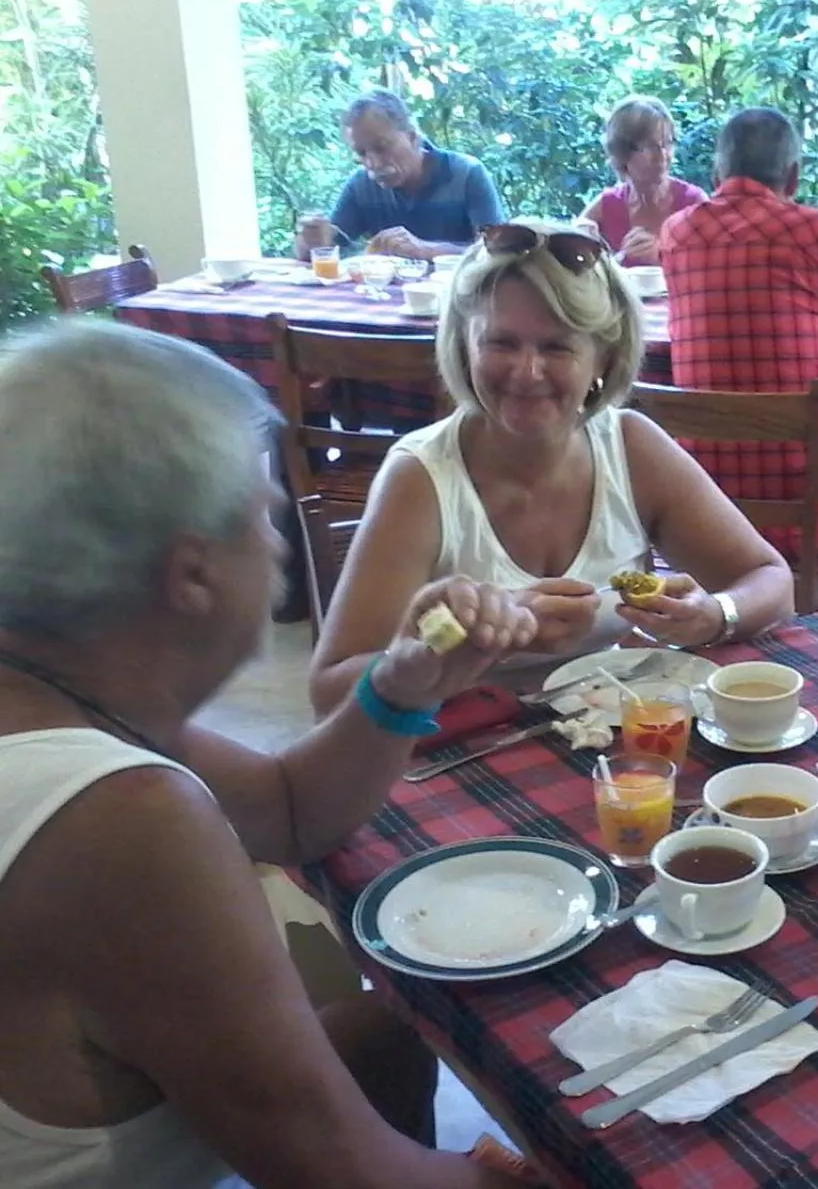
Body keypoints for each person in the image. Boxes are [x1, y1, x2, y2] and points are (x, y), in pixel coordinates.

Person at [0, 319, 533, 1187]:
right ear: (192, 573)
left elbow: (287, 814)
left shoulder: (56, 694)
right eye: (265, 517)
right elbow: (344, 1172)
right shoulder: (119, 820)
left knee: (382, 1036)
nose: (279, 547)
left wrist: (403, 686)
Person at [310, 219, 794, 713]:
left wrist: (715, 614)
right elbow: (329, 689)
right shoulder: (419, 477)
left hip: (610, 738)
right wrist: (466, 645)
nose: (527, 372)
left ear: (603, 359)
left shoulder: (631, 447)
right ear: (463, 345)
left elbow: (771, 580)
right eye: (501, 343)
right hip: (453, 746)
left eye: (556, 347)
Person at [659, 108, 818, 559]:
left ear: (717, 174)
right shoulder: (812, 229)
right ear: (793, 177)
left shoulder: (676, 234)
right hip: (808, 524)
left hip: (704, 520)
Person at [295, 89, 507, 261]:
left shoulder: (467, 174)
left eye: (381, 147)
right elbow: (327, 252)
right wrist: (311, 241)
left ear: (413, 137)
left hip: (459, 296)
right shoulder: (361, 184)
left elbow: (498, 252)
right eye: (361, 153)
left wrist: (425, 250)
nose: (373, 163)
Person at [578, 95, 708, 267]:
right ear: (622, 152)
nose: (662, 155)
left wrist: (662, 256)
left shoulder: (693, 203)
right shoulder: (607, 206)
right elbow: (571, 249)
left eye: (667, 143)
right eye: (650, 146)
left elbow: (713, 267)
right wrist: (580, 237)